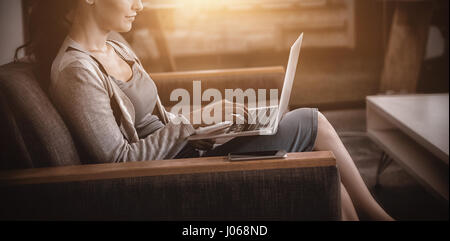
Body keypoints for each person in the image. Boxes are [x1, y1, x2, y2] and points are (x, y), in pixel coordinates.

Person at [17, 0, 394, 221]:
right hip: (174, 169)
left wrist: (204, 115)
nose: (140, 5)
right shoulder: (76, 72)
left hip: (189, 148)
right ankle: (379, 217)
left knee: (324, 170)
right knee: (313, 123)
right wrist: (190, 132)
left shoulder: (114, 45)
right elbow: (117, 160)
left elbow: (155, 117)